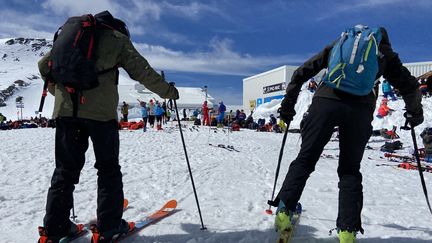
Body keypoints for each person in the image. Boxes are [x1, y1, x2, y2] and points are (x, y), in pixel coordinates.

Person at [37, 11, 179, 242]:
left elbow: (44, 64)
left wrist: (59, 92)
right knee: (108, 169)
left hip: (65, 114)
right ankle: (110, 227)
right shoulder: (116, 39)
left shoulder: (71, 35)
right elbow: (143, 72)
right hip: (100, 116)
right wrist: (169, 92)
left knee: (64, 171)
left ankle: (55, 229)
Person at [274, 25, 423, 243]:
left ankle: (284, 212)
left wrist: (287, 108)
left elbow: (300, 73)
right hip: (360, 110)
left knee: (305, 159)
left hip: (325, 102)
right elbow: (410, 87)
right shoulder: (385, 54)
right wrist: (414, 114)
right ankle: (347, 231)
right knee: (349, 170)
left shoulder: (339, 45)